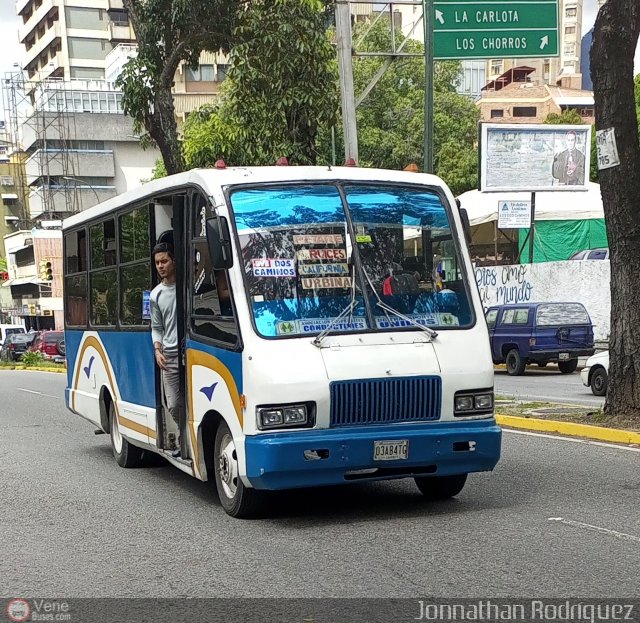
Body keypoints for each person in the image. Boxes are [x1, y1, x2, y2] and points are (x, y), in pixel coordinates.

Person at [150, 242, 182, 458]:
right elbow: (156, 327)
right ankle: (184, 435)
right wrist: (157, 350)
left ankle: (186, 441)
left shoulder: (187, 289)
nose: (160, 266)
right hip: (169, 356)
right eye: (157, 263)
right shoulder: (156, 295)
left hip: (191, 353)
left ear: (174, 261)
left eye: (164, 261)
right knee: (173, 404)